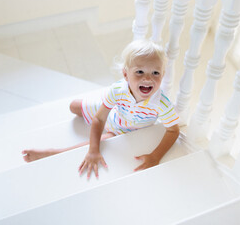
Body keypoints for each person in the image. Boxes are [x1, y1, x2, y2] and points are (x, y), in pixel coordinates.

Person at [22, 39, 180, 179]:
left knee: (101, 141)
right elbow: (99, 118)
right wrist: (106, 107)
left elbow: (173, 131)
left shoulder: (161, 103)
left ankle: (54, 152)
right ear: (126, 75)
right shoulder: (118, 89)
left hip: (124, 130)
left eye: (155, 73)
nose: (147, 78)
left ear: (163, 74)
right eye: (139, 72)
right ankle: (105, 101)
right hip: (112, 116)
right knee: (73, 106)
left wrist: (155, 156)